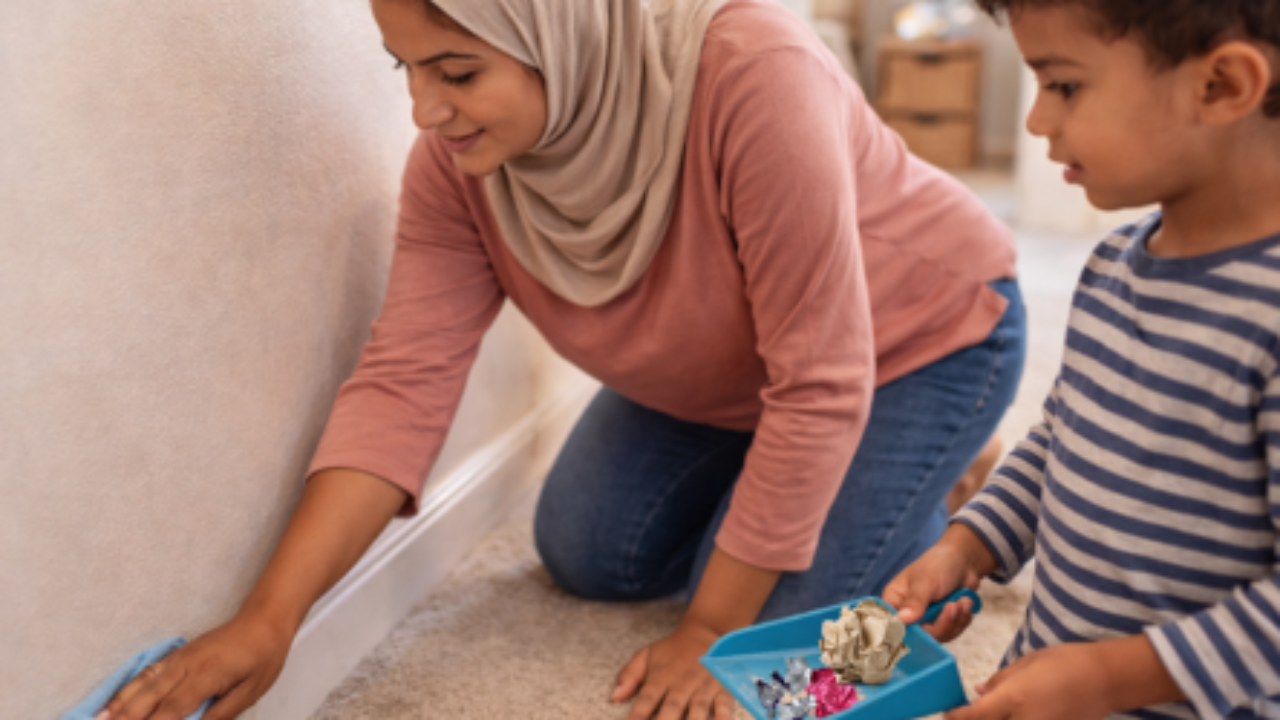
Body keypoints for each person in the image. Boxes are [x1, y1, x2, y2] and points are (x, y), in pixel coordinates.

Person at [100, 0, 1025, 718]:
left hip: (924, 340)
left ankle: (951, 540)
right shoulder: (458, 172)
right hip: (733, 377)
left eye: (456, 70)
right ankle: (873, 488)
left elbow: (820, 385)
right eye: (407, 70)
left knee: (776, 664)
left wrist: (710, 629)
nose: (426, 110)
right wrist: (272, 619)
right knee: (588, 552)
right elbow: (402, 383)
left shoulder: (756, 73)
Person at [884, 1, 1280, 718]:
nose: (1036, 120)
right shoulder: (1110, 268)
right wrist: (969, 544)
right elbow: (1062, 440)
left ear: (1221, 85)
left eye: (1064, 85)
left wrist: (1108, 679)